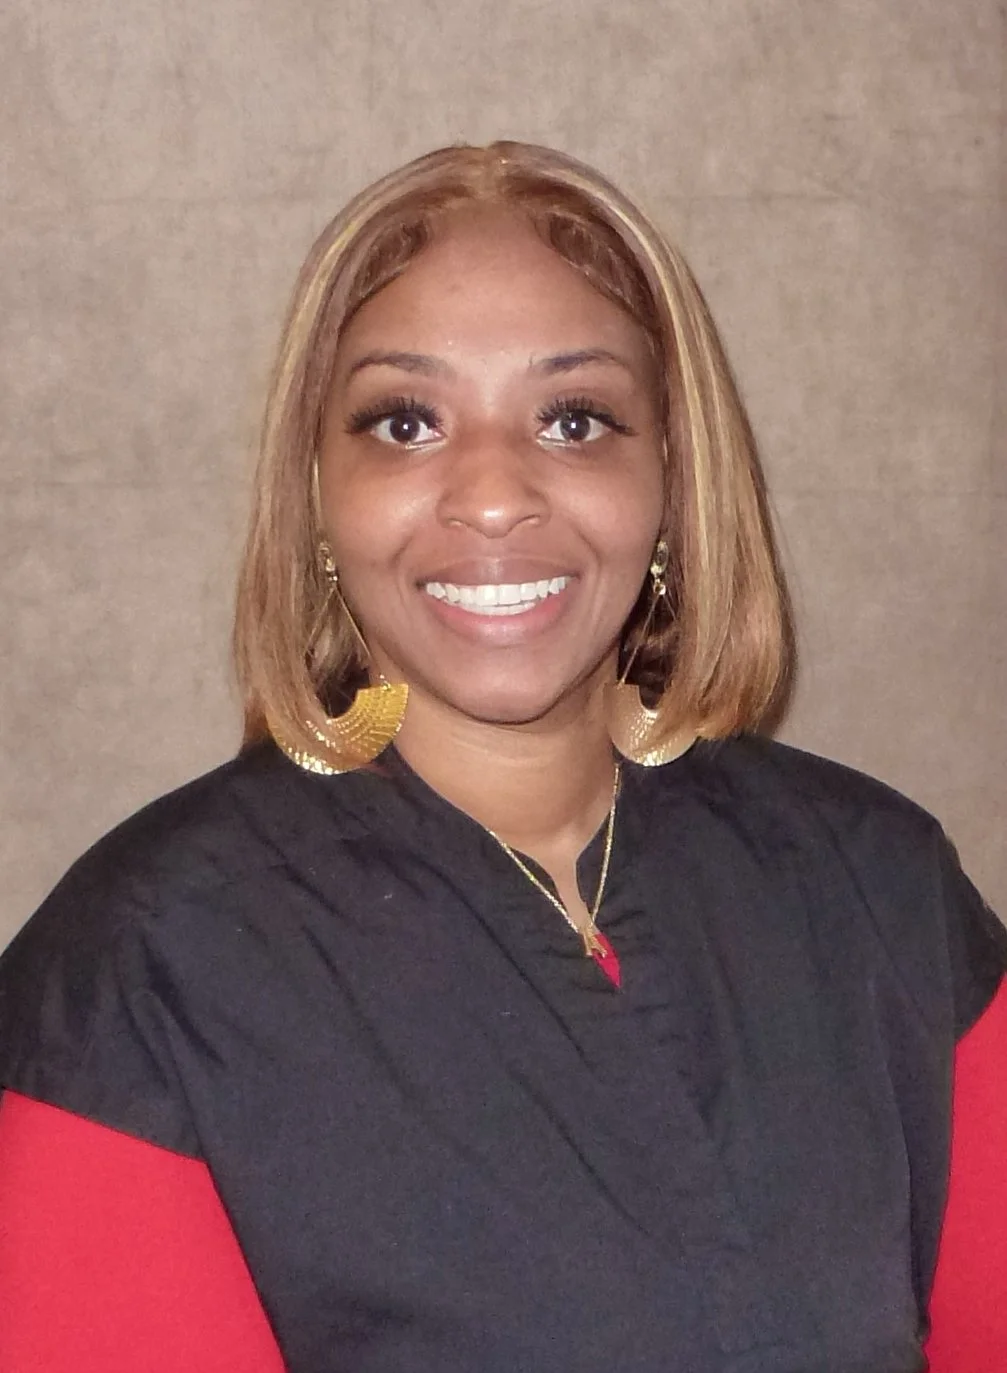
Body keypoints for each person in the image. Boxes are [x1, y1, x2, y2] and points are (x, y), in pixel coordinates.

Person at [0, 141, 1004, 1373]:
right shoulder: (139, 971)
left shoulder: (877, 886)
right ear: (317, 499)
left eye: (573, 418)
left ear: (669, 483)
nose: (491, 493)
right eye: (404, 421)